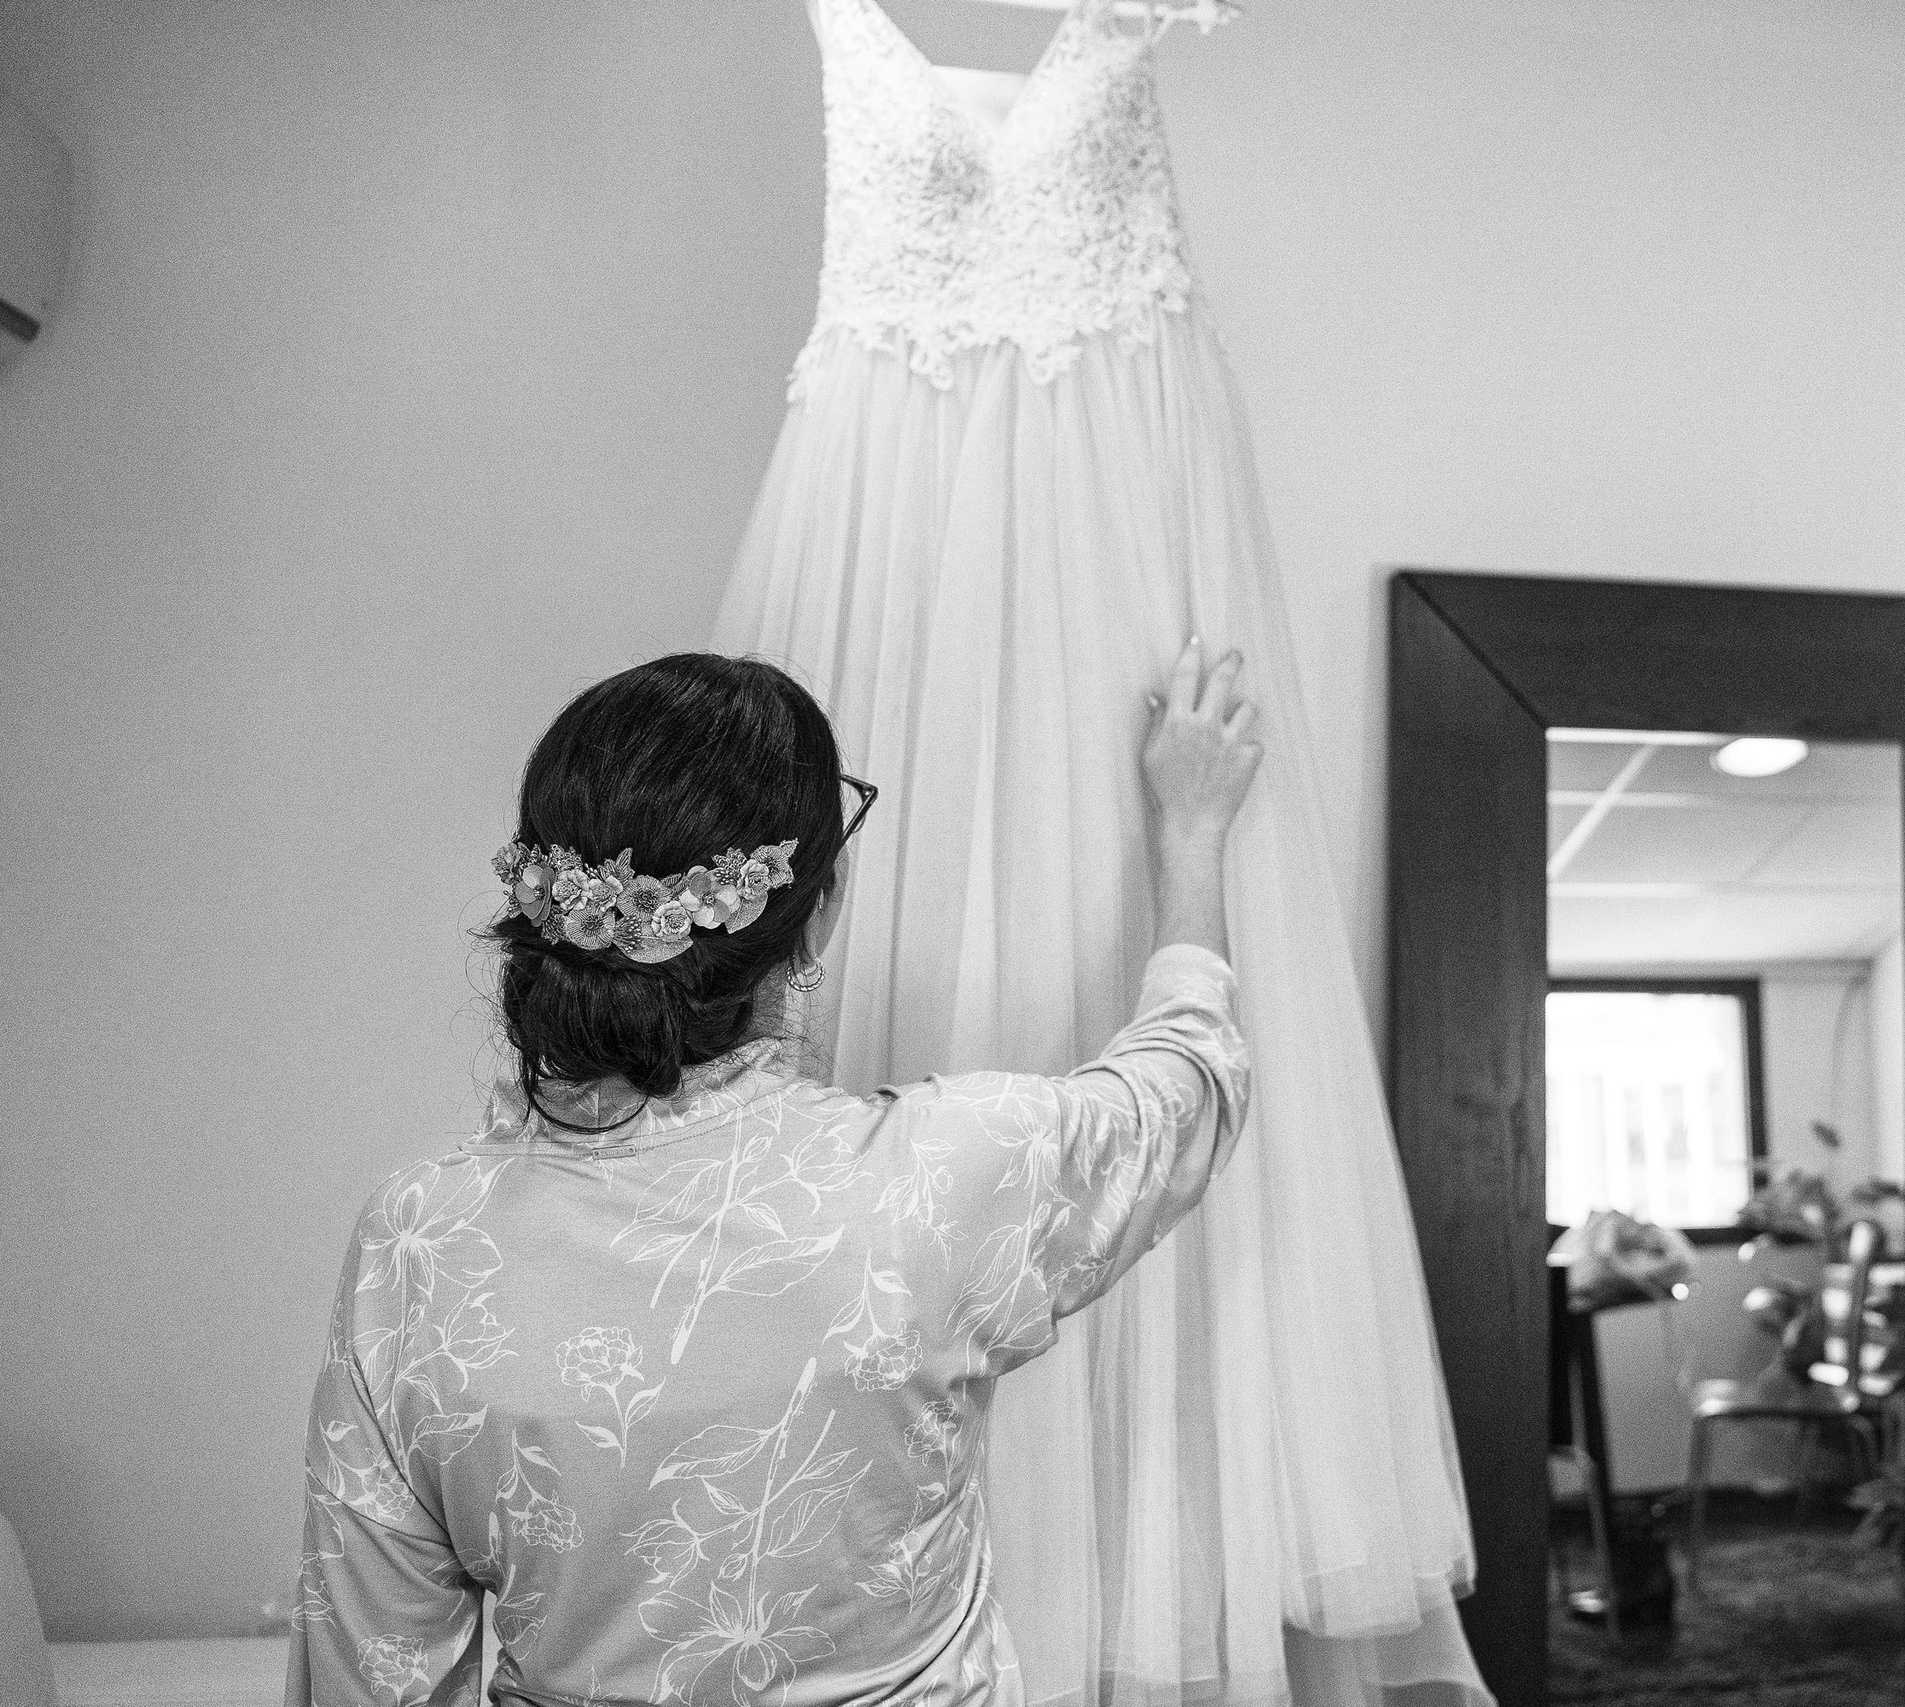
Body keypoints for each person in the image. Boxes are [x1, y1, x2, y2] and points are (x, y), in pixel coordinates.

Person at [286, 644, 1260, 1707]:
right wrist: (1192, 828)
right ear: (819, 912)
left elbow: (372, 1673)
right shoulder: (940, 1178)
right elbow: (1188, 1085)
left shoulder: (420, 1239)